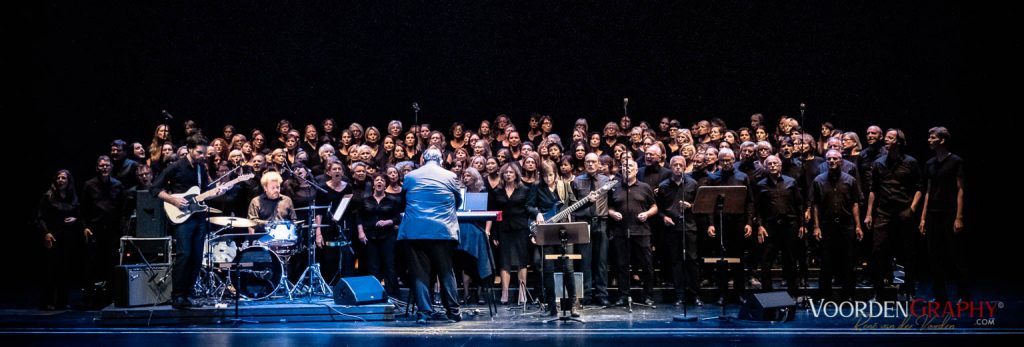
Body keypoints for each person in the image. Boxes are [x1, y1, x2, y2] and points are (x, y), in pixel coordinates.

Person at [151, 136, 232, 309]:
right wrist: (173, 200)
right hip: (181, 216)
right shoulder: (176, 167)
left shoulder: (201, 169)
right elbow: (154, 188)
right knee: (184, 254)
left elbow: (203, 194)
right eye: (199, 152)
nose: (203, 155)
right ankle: (177, 295)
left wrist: (220, 191)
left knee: (196, 257)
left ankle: (187, 294)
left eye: (204, 152)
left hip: (198, 215)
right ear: (189, 149)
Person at [397, 148, 462, 324]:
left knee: (419, 273)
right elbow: (459, 201)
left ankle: (424, 313)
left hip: (415, 230)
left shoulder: (410, 176)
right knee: (446, 271)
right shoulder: (450, 175)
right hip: (442, 230)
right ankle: (453, 312)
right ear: (441, 159)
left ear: (422, 159)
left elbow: (402, 202)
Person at [919, 127, 968, 303]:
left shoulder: (955, 161)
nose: (929, 140)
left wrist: (959, 217)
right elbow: (928, 191)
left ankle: (963, 294)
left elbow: (961, 189)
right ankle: (940, 296)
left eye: (932, 138)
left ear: (942, 140)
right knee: (934, 255)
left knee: (954, 254)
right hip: (933, 213)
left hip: (949, 212)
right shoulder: (930, 163)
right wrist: (923, 217)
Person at [812, 149, 864, 301]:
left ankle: (848, 295)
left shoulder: (850, 180)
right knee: (826, 262)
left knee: (848, 261)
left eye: (835, 158)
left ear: (841, 161)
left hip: (846, 225)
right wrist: (816, 226)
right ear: (826, 161)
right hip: (827, 226)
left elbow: (855, 204)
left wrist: (858, 226)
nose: (832, 161)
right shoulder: (818, 180)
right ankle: (825, 296)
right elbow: (815, 205)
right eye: (829, 159)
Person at [656, 156, 702, 306]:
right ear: (670, 167)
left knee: (692, 260)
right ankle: (680, 295)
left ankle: (694, 294)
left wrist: (690, 206)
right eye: (674, 165)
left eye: (680, 165)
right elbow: (659, 209)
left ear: (684, 167)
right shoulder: (663, 186)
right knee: (676, 262)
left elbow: (701, 205)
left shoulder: (693, 184)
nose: (677, 167)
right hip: (671, 228)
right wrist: (663, 217)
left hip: (689, 226)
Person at [37, 169, 84, 310]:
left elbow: (80, 214)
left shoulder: (73, 197)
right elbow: (40, 217)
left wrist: (75, 219)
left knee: (65, 270)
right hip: (53, 236)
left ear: (68, 181)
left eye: (63, 178)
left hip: (68, 238)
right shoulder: (48, 196)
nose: (60, 180)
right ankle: (48, 301)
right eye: (58, 178)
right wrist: (46, 233)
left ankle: (63, 301)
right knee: (51, 271)